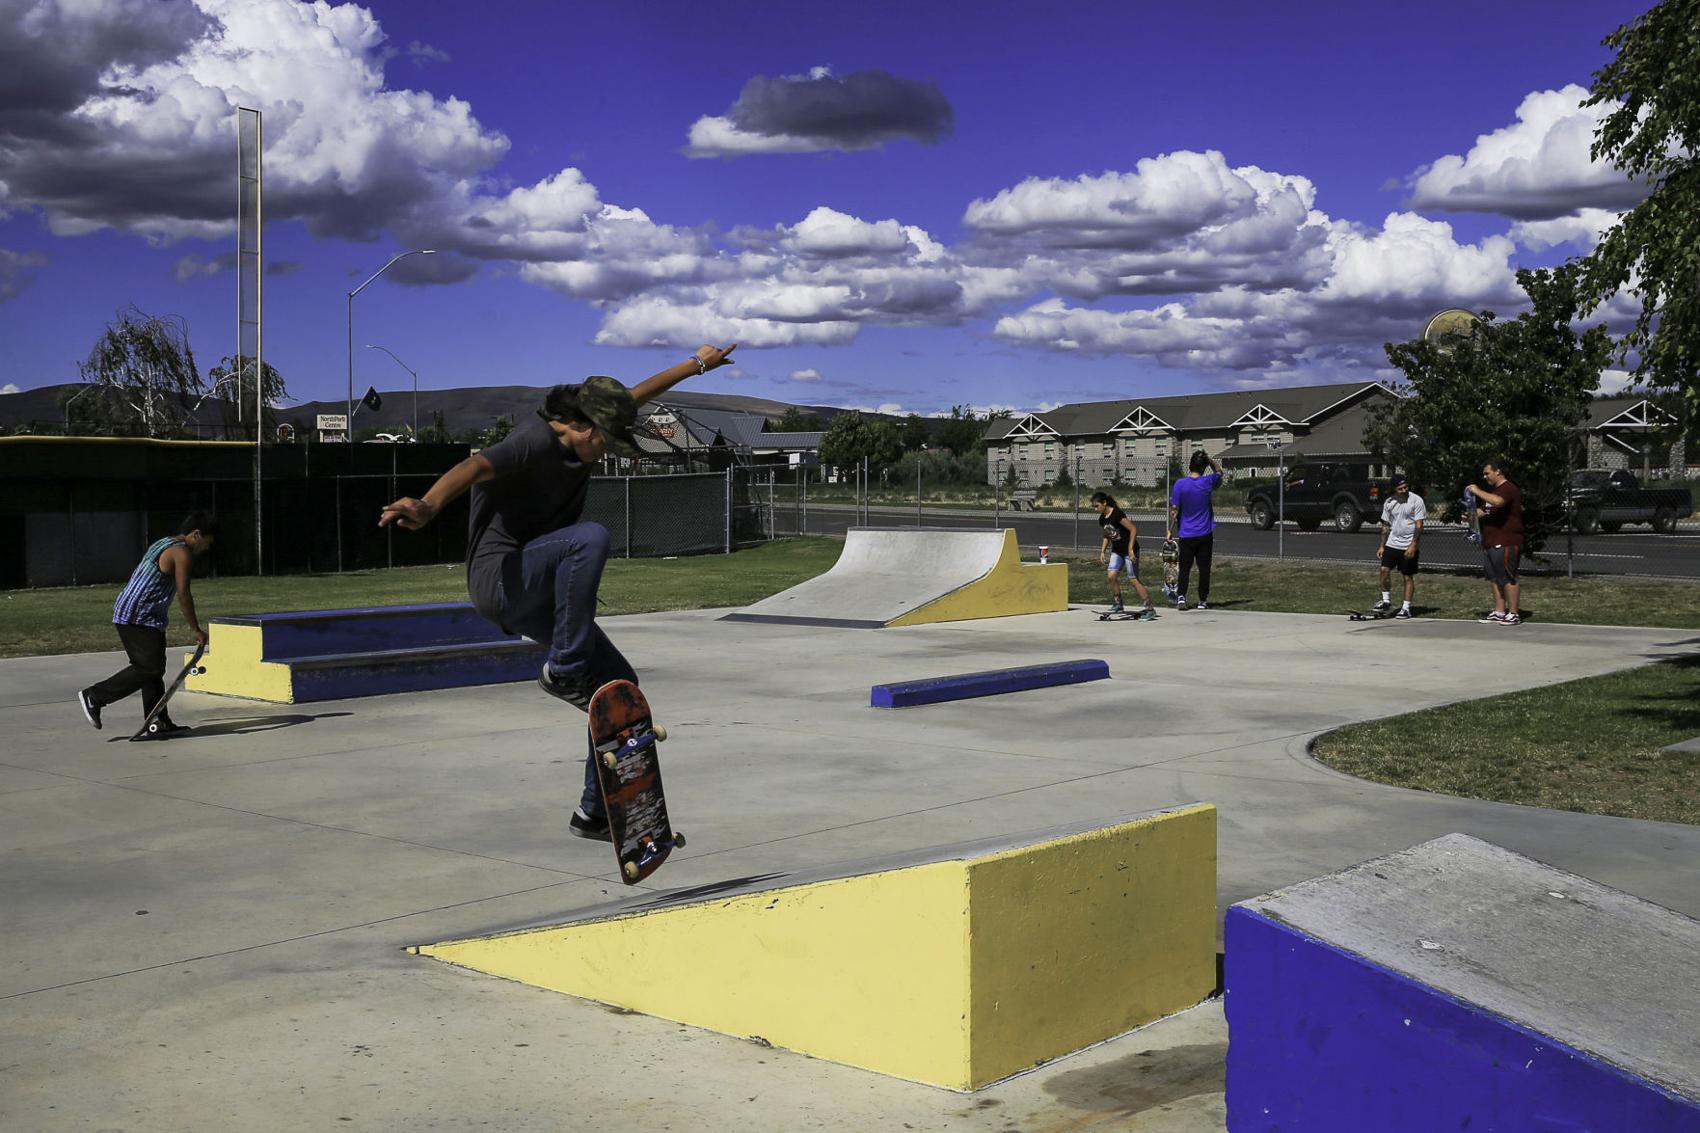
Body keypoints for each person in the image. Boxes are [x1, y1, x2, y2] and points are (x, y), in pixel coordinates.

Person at [379, 344, 736, 841]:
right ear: (584, 428)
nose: (607, 452)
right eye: (605, 443)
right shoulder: (534, 442)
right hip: (502, 580)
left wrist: (698, 364)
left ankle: (593, 812)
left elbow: (640, 393)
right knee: (590, 536)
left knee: (619, 689)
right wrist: (428, 504)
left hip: (540, 590)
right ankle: (564, 669)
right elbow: (477, 467)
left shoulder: (592, 420)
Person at [78, 512, 217, 737]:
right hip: (137, 615)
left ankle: (158, 721)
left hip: (143, 615)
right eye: (207, 543)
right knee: (148, 668)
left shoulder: (165, 542)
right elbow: (184, 594)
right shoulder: (181, 553)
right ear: (196, 534)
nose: (206, 548)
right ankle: (95, 696)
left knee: (153, 669)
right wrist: (195, 629)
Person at [1467, 458, 1523, 625]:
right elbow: (1485, 510)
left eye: (1487, 473)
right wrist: (1469, 515)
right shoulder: (1494, 492)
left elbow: (1498, 502)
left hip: (1506, 540)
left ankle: (1513, 613)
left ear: (1498, 471)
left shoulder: (1508, 488)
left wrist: (1476, 490)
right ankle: (1499, 611)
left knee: (1508, 576)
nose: (1485, 477)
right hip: (1491, 541)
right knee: (1494, 577)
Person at [1167, 450, 1223, 610]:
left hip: (1186, 534)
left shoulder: (1180, 484)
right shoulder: (1207, 482)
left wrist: (1170, 530)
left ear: (1190, 465)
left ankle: (1181, 597)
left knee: (1185, 568)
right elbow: (1219, 472)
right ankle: (1202, 600)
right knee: (1204, 569)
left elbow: (1174, 510)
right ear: (1204, 467)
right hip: (1205, 534)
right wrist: (1209, 460)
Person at [1089, 491, 1155, 618]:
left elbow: (1133, 529)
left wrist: (1130, 549)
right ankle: (1118, 603)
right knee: (1111, 576)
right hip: (1117, 551)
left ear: (1104, 503)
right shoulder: (1102, 519)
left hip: (1130, 551)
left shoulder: (1117, 514)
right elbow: (1106, 535)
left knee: (1133, 579)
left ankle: (1150, 608)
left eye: (1097, 506)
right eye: (1094, 506)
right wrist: (1102, 551)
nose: (1095, 509)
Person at [1373, 473, 1425, 619]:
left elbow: (1419, 526)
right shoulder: (1389, 502)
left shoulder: (1416, 500)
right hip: (1392, 543)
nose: (1404, 490)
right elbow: (1385, 526)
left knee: (1407, 577)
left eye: (1406, 487)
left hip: (1408, 545)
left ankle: (1406, 608)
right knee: (1384, 570)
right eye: (1401, 488)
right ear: (1395, 489)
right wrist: (1382, 546)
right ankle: (1386, 601)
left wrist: (1413, 545)